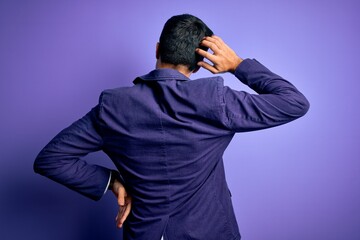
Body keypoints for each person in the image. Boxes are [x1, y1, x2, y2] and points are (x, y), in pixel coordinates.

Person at [34, 14, 309, 240]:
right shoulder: (215, 101)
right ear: (200, 64)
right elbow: (294, 103)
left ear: (157, 49)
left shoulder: (113, 106)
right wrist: (237, 65)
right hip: (210, 233)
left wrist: (113, 182)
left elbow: (51, 159)